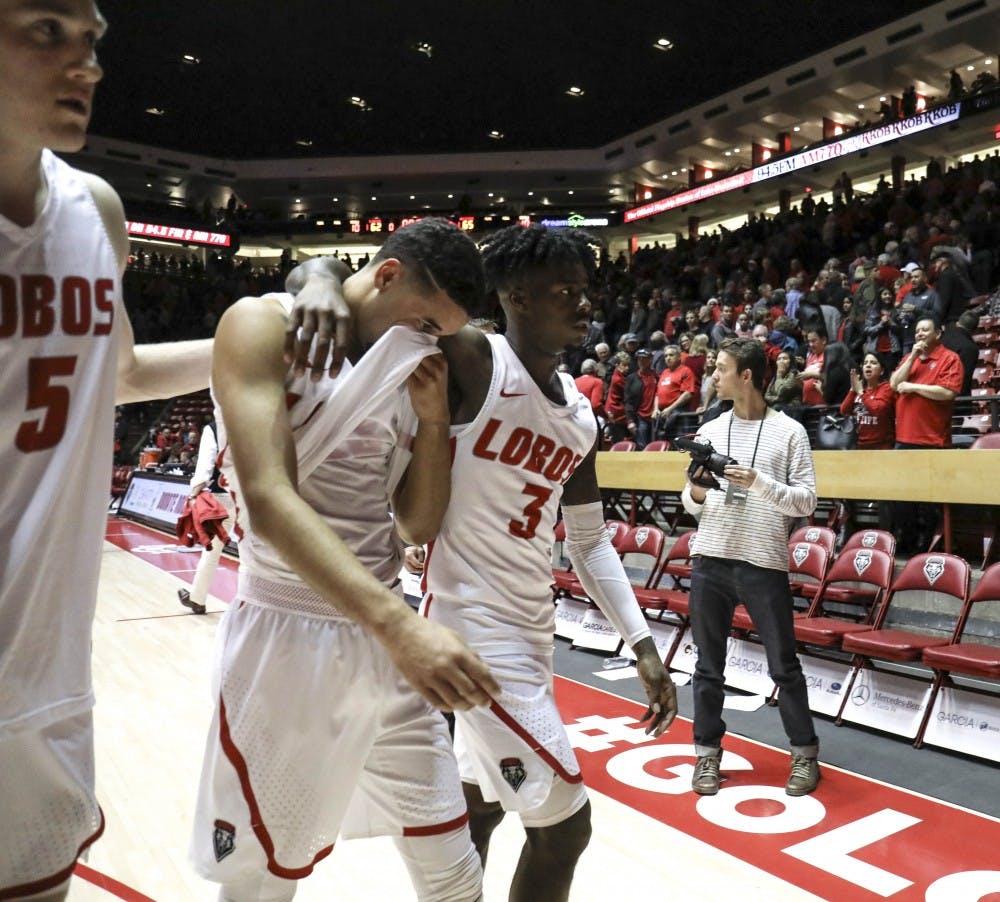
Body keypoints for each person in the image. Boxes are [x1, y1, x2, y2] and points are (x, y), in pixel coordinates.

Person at [0, 3, 337, 897]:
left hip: (44, 673)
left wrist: (265, 326)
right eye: (46, 31)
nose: (86, 63)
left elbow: (119, 373)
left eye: (92, 39)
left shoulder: (93, 212)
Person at [190, 219, 501, 901]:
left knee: (453, 870)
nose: (426, 336)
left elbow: (415, 523)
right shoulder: (260, 323)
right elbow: (269, 503)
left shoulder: (412, 365)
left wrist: (431, 421)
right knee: (263, 880)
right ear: (386, 276)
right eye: (422, 317)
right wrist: (401, 625)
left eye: (439, 329)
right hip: (290, 633)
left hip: (387, 643)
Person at [421, 225, 677, 901]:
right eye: (564, 289)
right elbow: (392, 321)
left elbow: (589, 542)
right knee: (565, 827)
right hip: (468, 629)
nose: (583, 302)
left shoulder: (582, 416)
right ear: (515, 295)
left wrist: (642, 643)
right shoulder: (475, 359)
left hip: (533, 634)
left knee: (480, 807)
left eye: (585, 289)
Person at [679, 338, 820, 798]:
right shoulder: (711, 430)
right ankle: (705, 756)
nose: (712, 376)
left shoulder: (790, 432)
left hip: (762, 560)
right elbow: (690, 502)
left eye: (720, 369)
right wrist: (698, 490)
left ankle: (804, 755)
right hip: (711, 556)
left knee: (784, 666)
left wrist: (758, 482)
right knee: (707, 667)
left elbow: (807, 500)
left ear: (747, 377)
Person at [890, 315, 963, 552]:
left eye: (925, 330)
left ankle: (929, 544)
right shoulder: (908, 359)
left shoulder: (949, 358)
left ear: (938, 333)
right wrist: (912, 357)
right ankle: (907, 540)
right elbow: (894, 384)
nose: (919, 334)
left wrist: (913, 387)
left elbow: (947, 392)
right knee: (902, 496)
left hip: (933, 440)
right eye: (917, 331)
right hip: (904, 439)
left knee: (928, 499)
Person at [176, 419, 231, 614]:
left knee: (211, 552)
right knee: (252, 554)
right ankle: (252, 604)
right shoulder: (256, 417)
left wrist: (193, 494)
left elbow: (205, 467)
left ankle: (198, 599)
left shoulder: (214, 427)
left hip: (223, 498)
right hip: (252, 495)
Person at [841, 354, 896, 449]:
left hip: (883, 446)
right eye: (865, 363)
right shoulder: (860, 389)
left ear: (882, 371)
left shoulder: (887, 388)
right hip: (860, 445)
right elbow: (844, 410)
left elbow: (877, 409)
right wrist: (852, 389)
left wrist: (861, 392)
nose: (868, 365)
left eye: (873, 363)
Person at [652, 344, 695, 441]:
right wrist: (655, 409)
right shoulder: (664, 372)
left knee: (680, 444)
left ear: (679, 356)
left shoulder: (686, 371)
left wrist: (670, 408)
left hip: (679, 414)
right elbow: (658, 393)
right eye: (666, 356)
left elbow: (688, 393)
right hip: (663, 414)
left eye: (671, 355)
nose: (668, 358)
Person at [624, 347, 658, 448]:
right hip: (640, 417)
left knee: (656, 446)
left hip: (655, 417)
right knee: (642, 446)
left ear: (650, 360)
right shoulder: (632, 378)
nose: (641, 361)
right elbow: (628, 401)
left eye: (644, 358)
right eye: (639, 359)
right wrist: (630, 421)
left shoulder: (656, 376)